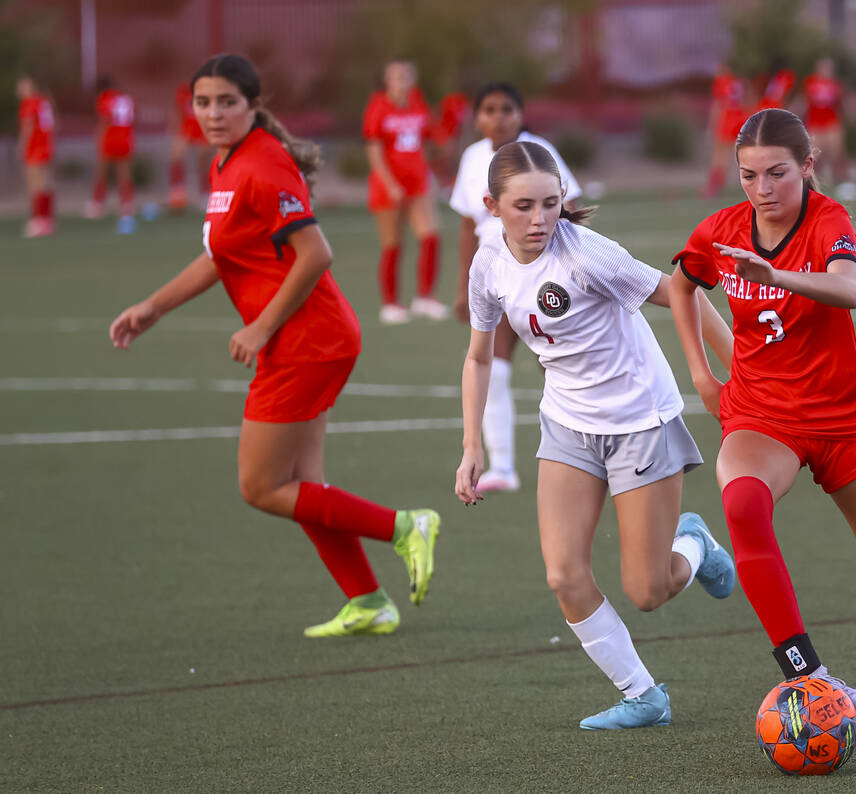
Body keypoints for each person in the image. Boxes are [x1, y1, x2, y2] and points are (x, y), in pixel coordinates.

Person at [668, 107, 856, 738]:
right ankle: (809, 677)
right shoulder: (723, 230)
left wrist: (773, 273)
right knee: (745, 506)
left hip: (846, 421)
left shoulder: (828, 218)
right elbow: (680, 284)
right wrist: (702, 376)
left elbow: (848, 289)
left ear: (807, 167)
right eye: (749, 175)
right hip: (762, 414)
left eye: (778, 173)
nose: (762, 189)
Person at [109, 54, 439, 637]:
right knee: (304, 488)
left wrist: (261, 327)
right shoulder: (228, 163)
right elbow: (222, 256)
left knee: (261, 487)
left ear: (254, 106)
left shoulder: (263, 163)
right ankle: (367, 601)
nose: (213, 113)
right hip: (312, 338)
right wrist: (153, 307)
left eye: (227, 102)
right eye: (203, 102)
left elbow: (316, 254)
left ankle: (404, 525)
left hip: (306, 341)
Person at [455, 140, 737, 730]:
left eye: (551, 204)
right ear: (491, 205)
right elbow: (479, 358)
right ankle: (643, 695)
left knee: (648, 592)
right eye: (523, 207)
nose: (539, 220)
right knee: (563, 574)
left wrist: (731, 374)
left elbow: (680, 291)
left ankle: (698, 547)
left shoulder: (587, 256)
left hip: (640, 423)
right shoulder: (488, 263)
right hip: (568, 425)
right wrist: (472, 446)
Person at [449, 82, 582, 494]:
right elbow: (469, 226)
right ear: (477, 118)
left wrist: (576, 271)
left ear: (521, 115)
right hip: (498, 278)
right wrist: (462, 288)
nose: (498, 117)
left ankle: (586, 455)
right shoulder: (473, 158)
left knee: (568, 366)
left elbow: (570, 209)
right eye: (488, 109)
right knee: (494, 367)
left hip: (546, 273)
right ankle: (503, 465)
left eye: (507, 108)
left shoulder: (537, 152)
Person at [363, 59, 447, 324]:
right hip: (388, 189)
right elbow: (374, 151)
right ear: (387, 80)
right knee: (393, 244)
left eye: (407, 76)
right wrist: (389, 183)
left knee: (431, 236)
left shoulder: (417, 103)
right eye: (397, 76)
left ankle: (425, 297)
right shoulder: (378, 108)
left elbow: (429, 140)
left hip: (418, 186)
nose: (403, 81)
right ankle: (390, 303)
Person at [86, 77, 138, 233]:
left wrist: (98, 139)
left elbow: (104, 120)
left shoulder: (105, 98)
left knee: (102, 172)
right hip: (126, 138)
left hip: (110, 138)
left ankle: (97, 203)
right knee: (124, 173)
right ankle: (127, 205)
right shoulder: (126, 99)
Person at [800, 57, 853, 198]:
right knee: (816, 156)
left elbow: (842, 104)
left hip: (831, 122)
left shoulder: (835, 85)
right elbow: (804, 102)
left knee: (837, 152)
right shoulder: (810, 83)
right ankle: (815, 185)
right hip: (815, 123)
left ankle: (843, 182)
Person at [15, 75, 55, 238]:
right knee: (45, 182)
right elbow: (54, 123)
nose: (19, 89)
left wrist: (22, 146)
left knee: (34, 184)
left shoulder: (29, 103)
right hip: (46, 146)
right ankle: (47, 221)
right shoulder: (43, 102)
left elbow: (28, 126)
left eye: (22, 86)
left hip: (34, 147)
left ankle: (37, 221)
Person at [702, 62, 748, 198]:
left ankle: (712, 187)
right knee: (728, 156)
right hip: (738, 120)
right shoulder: (737, 82)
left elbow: (718, 105)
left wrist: (711, 126)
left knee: (718, 156)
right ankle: (719, 185)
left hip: (726, 120)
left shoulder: (721, 81)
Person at [168, 81, 211, 211]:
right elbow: (177, 110)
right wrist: (175, 127)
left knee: (203, 160)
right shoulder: (183, 91)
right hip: (187, 127)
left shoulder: (208, 91)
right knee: (176, 155)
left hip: (202, 128)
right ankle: (178, 191)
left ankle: (205, 194)